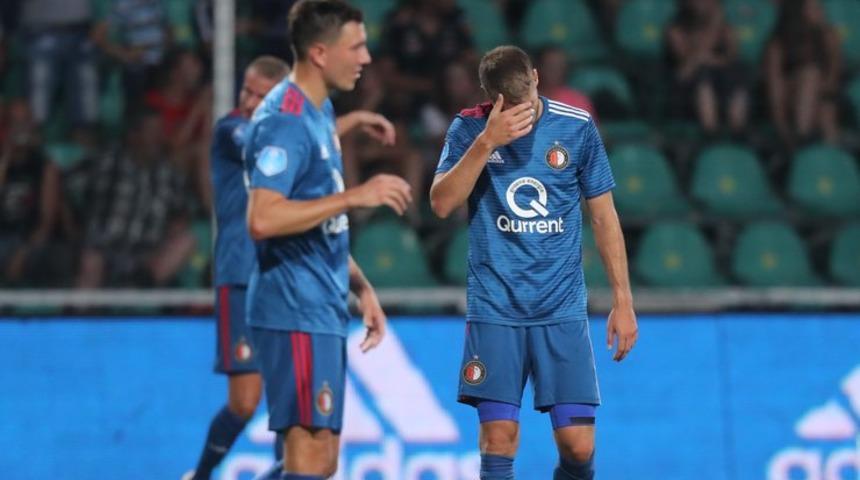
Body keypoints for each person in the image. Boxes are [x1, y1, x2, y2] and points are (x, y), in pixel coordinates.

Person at [184, 51, 397, 480]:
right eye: (245, 90)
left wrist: (348, 124)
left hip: (294, 285)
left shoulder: (295, 147)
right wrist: (347, 129)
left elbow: (305, 146)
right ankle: (201, 474)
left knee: (306, 449)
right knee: (247, 403)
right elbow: (282, 145)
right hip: (241, 278)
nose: (248, 101)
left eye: (260, 95)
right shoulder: (231, 130)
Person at [429, 46, 638, 480]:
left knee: (578, 448)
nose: (524, 114)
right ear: (491, 97)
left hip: (559, 309)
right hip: (495, 309)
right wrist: (487, 142)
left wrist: (623, 298)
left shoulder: (576, 127)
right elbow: (441, 203)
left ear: (538, 78)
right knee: (499, 440)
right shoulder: (469, 129)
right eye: (512, 105)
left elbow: (603, 214)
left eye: (528, 100)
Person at [242, 1, 412, 478]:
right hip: (293, 305)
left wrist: (361, 287)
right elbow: (264, 217)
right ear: (320, 52)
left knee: (320, 462)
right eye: (355, 46)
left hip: (321, 304)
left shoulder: (317, 111)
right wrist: (358, 195)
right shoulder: (285, 120)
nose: (367, 57)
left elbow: (320, 223)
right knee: (309, 459)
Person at [764, 0, 842, 148]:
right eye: (815, 8)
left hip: (823, 97)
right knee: (810, 75)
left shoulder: (828, 35)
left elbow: (834, 73)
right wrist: (780, 122)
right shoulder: (779, 44)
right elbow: (776, 87)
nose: (821, 12)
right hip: (793, 97)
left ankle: (830, 160)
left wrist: (825, 90)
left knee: (826, 112)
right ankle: (803, 137)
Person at [665, 0, 748, 136]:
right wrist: (714, 25)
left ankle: (737, 133)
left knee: (739, 73)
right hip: (686, 86)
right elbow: (687, 67)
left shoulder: (723, 27)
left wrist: (724, 30)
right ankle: (710, 133)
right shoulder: (676, 29)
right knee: (704, 75)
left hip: (721, 83)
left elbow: (732, 56)